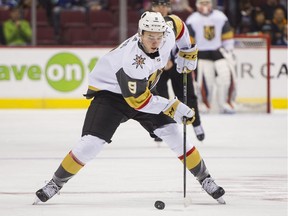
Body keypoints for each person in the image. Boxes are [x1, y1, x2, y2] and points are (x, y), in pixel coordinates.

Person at [33, 11, 225, 205]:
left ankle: (205, 178)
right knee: (91, 143)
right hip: (111, 96)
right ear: (140, 33)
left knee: (174, 132)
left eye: (159, 37)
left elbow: (178, 23)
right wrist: (171, 106)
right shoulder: (131, 60)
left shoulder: (166, 33)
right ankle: (55, 183)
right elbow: (139, 102)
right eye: (150, 37)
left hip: (143, 91)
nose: (155, 42)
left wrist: (186, 49)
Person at [151, 0, 205, 142]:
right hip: (159, 67)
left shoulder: (176, 22)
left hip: (178, 64)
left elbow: (185, 42)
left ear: (169, 8)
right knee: (159, 98)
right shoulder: (148, 23)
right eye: (158, 6)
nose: (161, 9)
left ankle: (197, 124)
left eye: (164, 6)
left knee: (187, 96)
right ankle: (163, 127)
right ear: (152, 7)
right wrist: (160, 61)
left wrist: (175, 60)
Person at [186, 0, 236, 114]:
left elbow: (227, 37)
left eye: (206, 2)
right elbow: (189, 41)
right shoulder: (192, 19)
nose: (204, 5)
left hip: (218, 52)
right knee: (204, 82)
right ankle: (204, 104)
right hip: (201, 54)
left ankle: (227, 103)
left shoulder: (220, 17)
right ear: (197, 5)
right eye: (202, 3)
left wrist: (229, 51)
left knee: (227, 78)